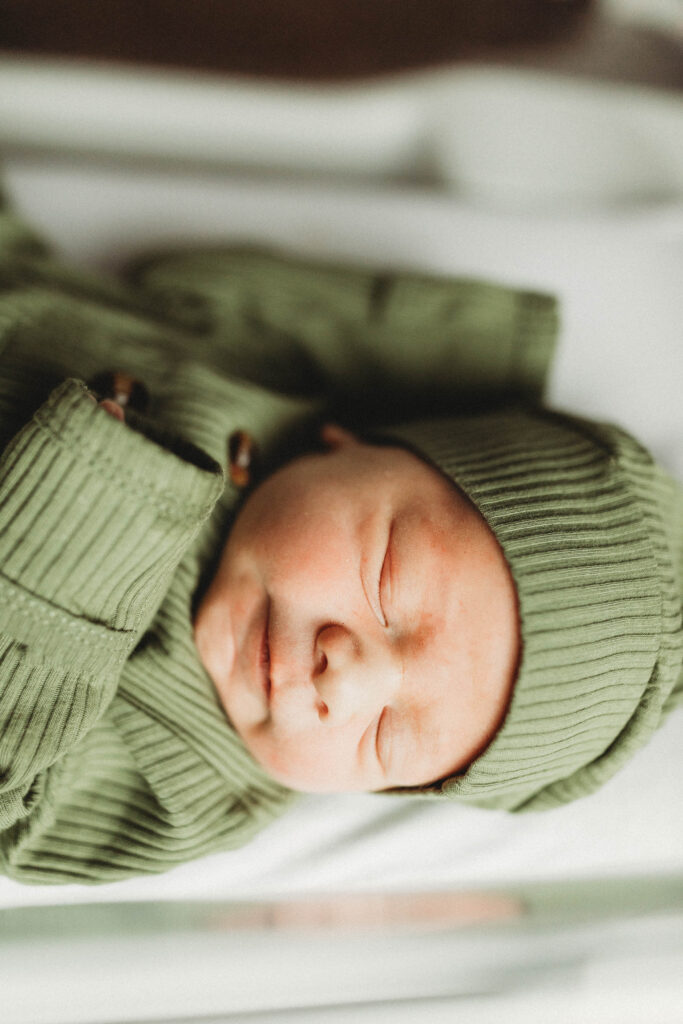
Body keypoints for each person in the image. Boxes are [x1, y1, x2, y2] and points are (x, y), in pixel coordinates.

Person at [0, 191, 680, 884]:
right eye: (388, 578)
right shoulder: (272, 380)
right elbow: (197, 282)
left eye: (387, 736)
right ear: (346, 442)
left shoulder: (190, 784)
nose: (349, 673)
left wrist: (95, 513)